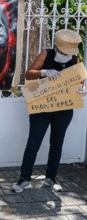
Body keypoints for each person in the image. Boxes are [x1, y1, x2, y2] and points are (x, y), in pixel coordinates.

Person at [11, 29, 85, 193]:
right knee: (33, 144)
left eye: (69, 52)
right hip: (42, 109)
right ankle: (24, 178)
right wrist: (44, 72)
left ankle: (51, 178)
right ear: (57, 47)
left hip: (64, 109)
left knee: (57, 144)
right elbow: (29, 74)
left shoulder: (76, 59)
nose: (66, 55)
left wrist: (83, 88)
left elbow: (81, 81)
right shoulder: (46, 54)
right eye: (64, 51)